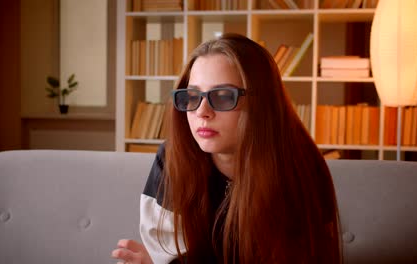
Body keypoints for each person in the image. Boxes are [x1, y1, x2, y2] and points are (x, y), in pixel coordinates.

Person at [112, 33, 341, 264]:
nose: (202, 111)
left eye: (222, 97)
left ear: (261, 103)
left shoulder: (300, 169)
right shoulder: (173, 158)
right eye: (192, 96)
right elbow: (167, 256)